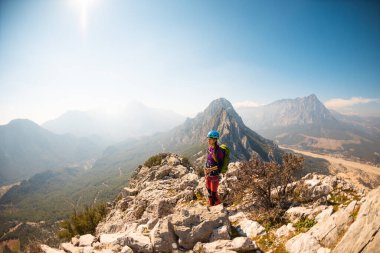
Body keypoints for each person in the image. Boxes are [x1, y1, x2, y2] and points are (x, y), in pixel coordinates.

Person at [204, 130, 224, 206]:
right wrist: (205, 170)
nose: (208, 140)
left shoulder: (219, 151)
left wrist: (210, 169)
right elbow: (208, 161)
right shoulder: (210, 149)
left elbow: (220, 165)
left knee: (214, 193)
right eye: (208, 138)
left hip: (214, 175)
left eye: (210, 139)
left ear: (215, 140)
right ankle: (211, 204)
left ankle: (219, 207)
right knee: (209, 191)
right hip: (208, 174)